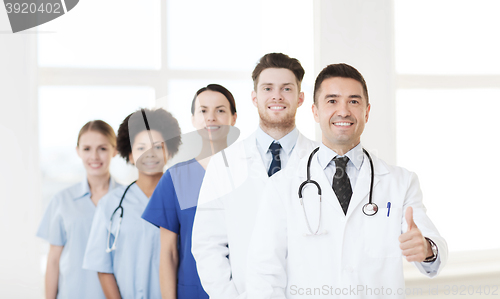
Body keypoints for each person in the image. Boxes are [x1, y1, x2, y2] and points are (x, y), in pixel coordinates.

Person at [246, 63, 448, 298]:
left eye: (353, 101)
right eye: (332, 101)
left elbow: (434, 252)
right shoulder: (282, 186)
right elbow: (264, 274)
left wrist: (426, 249)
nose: (343, 111)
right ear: (315, 111)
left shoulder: (400, 182)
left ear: (367, 112)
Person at [191, 53, 318, 298]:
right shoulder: (224, 164)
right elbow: (207, 246)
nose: (277, 96)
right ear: (254, 97)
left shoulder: (323, 162)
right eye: (267, 88)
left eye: (287, 89)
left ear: (300, 98)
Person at [141, 84, 238, 298]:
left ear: (234, 118)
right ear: (193, 119)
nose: (210, 118)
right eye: (203, 111)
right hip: (193, 291)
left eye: (220, 110)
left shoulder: (251, 174)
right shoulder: (175, 179)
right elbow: (168, 254)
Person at [83, 108, 181, 299]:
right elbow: (103, 267)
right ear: (129, 155)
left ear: (169, 151)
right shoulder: (110, 204)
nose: (150, 154)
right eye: (141, 148)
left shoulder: (183, 200)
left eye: (157, 147)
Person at [37, 120, 121, 299]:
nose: (94, 156)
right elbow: (53, 261)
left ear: (115, 150)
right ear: (78, 151)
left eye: (103, 148)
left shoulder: (128, 199)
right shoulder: (62, 200)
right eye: (87, 149)